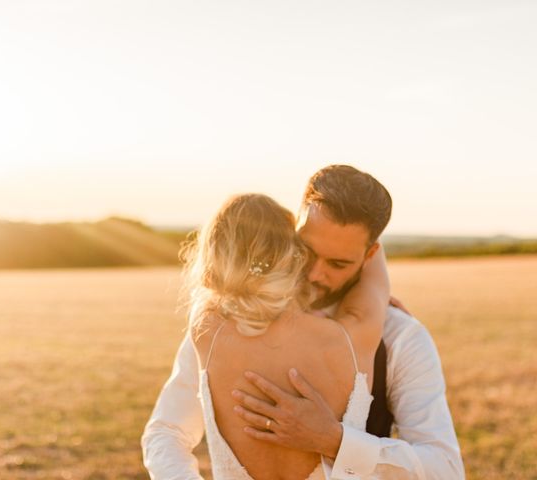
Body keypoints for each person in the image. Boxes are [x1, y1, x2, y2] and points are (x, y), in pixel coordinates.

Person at [142, 165, 465, 479]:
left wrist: (335, 441)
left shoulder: (400, 336)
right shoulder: (231, 319)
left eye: (338, 263)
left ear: (370, 256)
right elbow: (166, 432)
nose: (314, 274)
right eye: (305, 251)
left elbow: (445, 470)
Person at [184, 192, 389, 478]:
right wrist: (365, 242)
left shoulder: (206, 331)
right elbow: (378, 285)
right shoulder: (352, 336)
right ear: (295, 256)